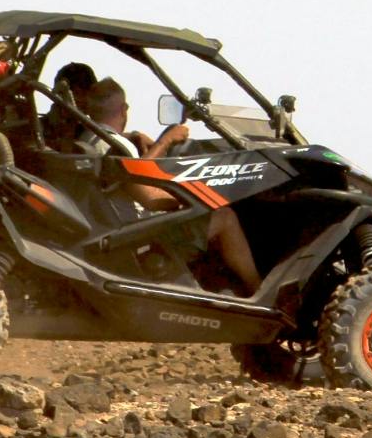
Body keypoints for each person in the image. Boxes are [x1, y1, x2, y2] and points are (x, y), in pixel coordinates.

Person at [78, 74, 263, 294]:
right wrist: (192, 198)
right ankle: (259, 292)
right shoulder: (114, 145)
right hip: (138, 234)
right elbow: (148, 196)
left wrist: (138, 138)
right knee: (225, 217)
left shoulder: (88, 138)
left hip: (112, 225)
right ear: (124, 109)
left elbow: (131, 174)